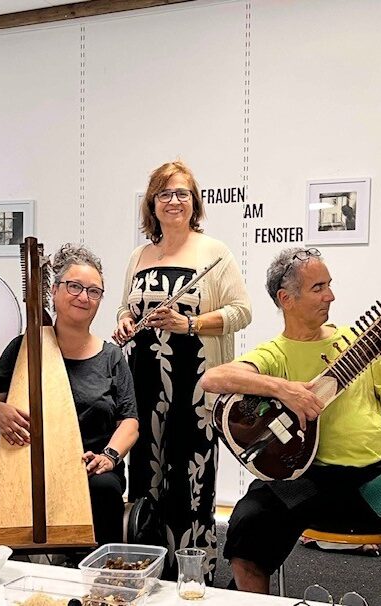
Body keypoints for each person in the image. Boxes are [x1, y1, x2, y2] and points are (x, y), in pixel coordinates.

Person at [200, 247, 381, 605]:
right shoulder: (276, 353)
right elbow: (214, 378)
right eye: (318, 287)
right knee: (245, 525)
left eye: (329, 285)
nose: (330, 295)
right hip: (307, 478)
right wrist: (287, 389)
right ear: (286, 299)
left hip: (375, 474)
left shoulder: (355, 344)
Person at [0, 243, 139, 546]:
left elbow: (129, 421)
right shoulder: (22, 347)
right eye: (74, 287)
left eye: (94, 291)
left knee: (104, 492)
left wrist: (109, 456)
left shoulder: (111, 357)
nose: (83, 297)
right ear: (53, 290)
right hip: (15, 462)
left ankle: (99, 584)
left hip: (86, 466)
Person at [112, 160, 251, 580]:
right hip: (144, 383)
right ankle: (147, 568)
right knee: (145, 477)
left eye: (182, 194)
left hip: (196, 386)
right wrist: (122, 318)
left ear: (195, 203)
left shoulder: (214, 252)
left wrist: (188, 324)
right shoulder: (140, 254)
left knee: (190, 479)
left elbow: (241, 311)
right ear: (152, 204)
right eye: (164, 194)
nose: (173, 201)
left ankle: (192, 576)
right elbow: (126, 306)